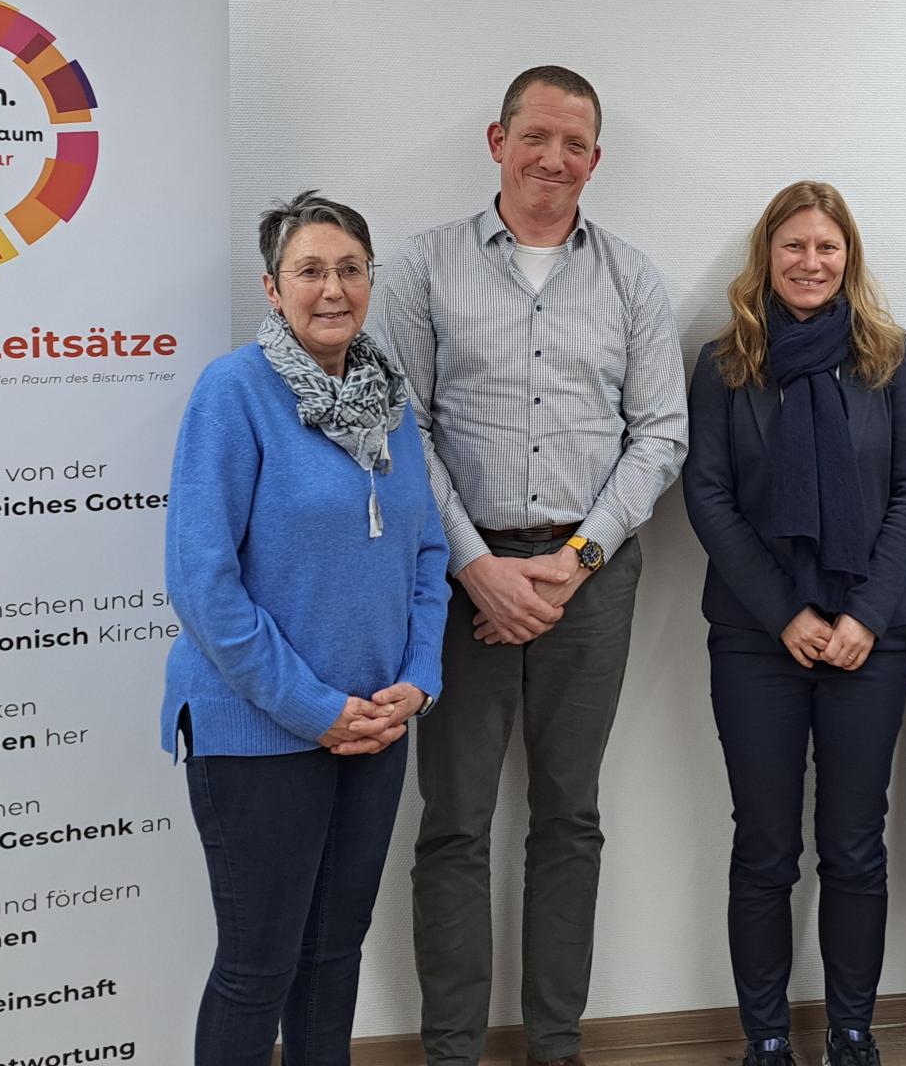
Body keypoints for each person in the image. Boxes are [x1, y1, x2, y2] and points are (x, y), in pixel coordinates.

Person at [380, 65, 688, 1066]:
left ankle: (556, 1046)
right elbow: (399, 427)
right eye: (535, 136)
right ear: (496, 141)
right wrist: (476, 566)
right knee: (454, 824)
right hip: (456, 578)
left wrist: (573, 560)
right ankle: (452, 1051)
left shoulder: (633, 278)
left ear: (594, 160)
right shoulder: (423, 268)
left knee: (569, 818)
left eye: (574, 143)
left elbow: (659, 437)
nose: (553, 158)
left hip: (587, 583)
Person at [160, 191, 451, 1066]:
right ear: (273, 288)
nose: (333, 288)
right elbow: (202, 582)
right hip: (257, 731)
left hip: (375, 725)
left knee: (333, 955)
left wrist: (420, 679)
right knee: (259, 966)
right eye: (310, 271)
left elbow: (428, 553)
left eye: (350, 269)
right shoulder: (233, 392)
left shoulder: (389, 400)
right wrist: (311, 707)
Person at [683, 181, 906, 1066]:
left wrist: (865, 615)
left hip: (870, 640)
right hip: (758, 639)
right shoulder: (726, 363)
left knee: (855, 848)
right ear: (767, 256)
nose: (810, 262)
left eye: (827, 247)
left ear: (849, 258)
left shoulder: (891, 359)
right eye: (793, 246)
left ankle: (853, 1036)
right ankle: (764, 1041)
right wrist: (785, 610)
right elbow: (707, 498)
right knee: (763, 848)